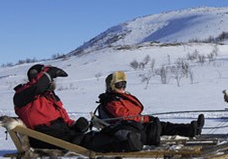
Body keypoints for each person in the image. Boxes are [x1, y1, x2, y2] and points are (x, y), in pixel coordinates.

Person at [13, 64, 143, 152]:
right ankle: (124, 144)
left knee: (91, 135)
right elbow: (37, 87)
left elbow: (64, 119)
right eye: (51, 79)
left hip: (59, 132)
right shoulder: (22, 96)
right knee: (83, 140)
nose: (53, 82)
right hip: (43, 136)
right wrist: (49, 72)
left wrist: (76, 125)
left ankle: (127, 138)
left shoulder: (50, 97)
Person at [96, 71, 204, 145]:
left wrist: (144, 119)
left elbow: (135, 111)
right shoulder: (110, 101)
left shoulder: (118, 98)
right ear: (111, 86)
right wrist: (144, 119)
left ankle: (191, 129)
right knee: (155, 127)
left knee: (164, 125)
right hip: (126, 130)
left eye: (124, 84)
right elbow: (126, 116)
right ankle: (155, 138)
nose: (123, 87)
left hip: (134, 125)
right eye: (119, 84)